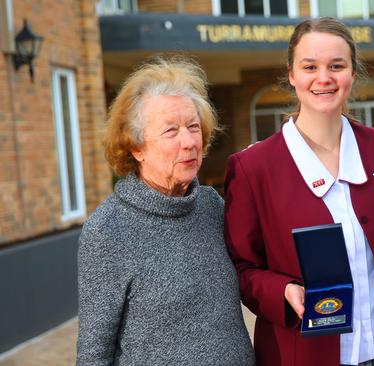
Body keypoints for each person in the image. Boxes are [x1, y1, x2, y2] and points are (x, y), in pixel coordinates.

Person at [224, 18, 374, 366]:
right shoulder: (252, 167)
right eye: (310, 66)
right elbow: (242, 268)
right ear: (292, 74)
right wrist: (281, 291)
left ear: (352, 74)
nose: (324, 78)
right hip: (305, 355)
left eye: (336, 66)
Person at [76, 56, 255, 366]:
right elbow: (94, 353)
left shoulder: (212, 206)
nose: (188, 142)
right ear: (136, 147)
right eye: (171, 131)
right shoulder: (107, 231)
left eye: (194, 127)